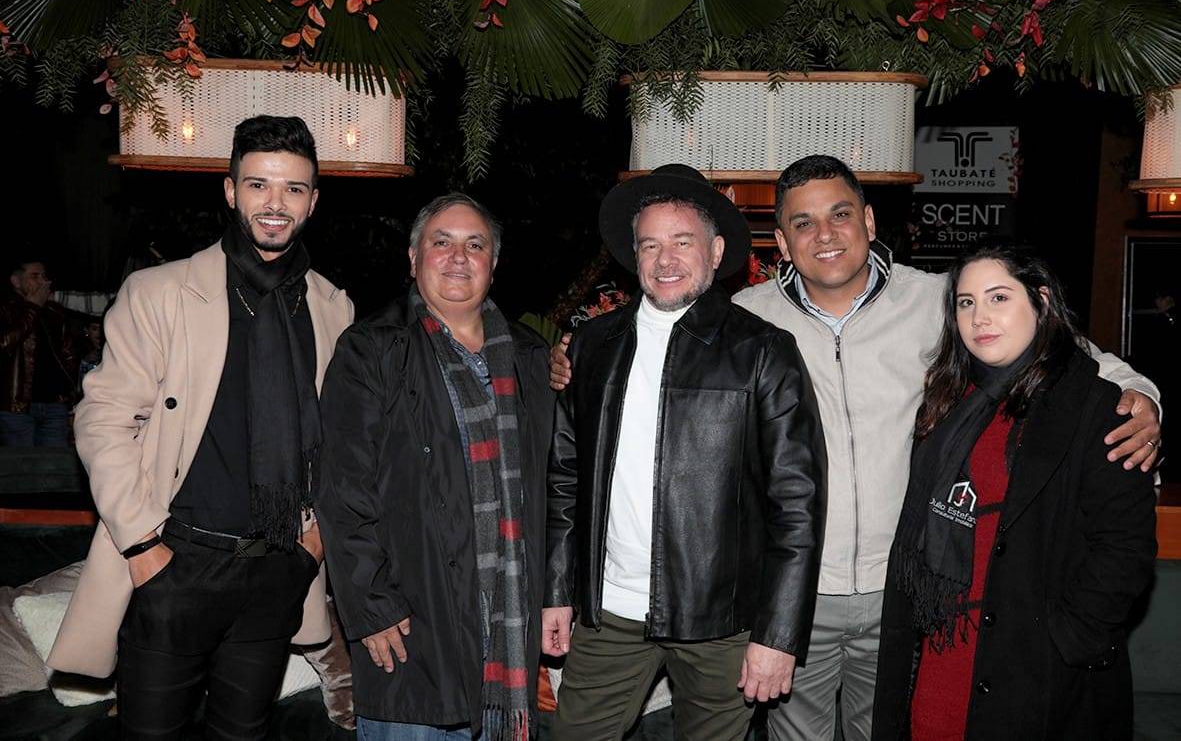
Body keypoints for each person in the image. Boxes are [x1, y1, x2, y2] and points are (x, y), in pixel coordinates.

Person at [549, 155, 1162, 740]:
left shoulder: (943, 302)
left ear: (868, 221)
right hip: (798, 597)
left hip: (905, 588)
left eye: (840, 214)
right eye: (802, 223)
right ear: (781, 244)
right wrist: (575, 360)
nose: (825, 234)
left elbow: (1064, 352)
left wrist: (1143, 397)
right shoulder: (743, 323)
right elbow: (647, 368)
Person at [47, 115, 354, 740]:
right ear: (229, 190)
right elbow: (103, 420)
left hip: (278, 566)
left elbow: (342, 436)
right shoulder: (160, 292)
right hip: (175, 560)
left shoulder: (332, 305)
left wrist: (312, 544)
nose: (275, 203)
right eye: (258, 184)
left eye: (293, 188)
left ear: (314, 200)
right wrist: (142, 548)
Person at [543, 164, 826, 741]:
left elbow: (797, 504)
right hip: (610, 614)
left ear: (716, 250)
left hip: (720, 621)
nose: (665, 258)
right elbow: (566, 479)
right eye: (651, 244)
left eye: (682, 242)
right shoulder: (594, 343)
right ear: (633, 254)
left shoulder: (763, 350)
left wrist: (777, 634)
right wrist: (556, 593)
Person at [871, 241, 1157, 739]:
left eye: (999, 297)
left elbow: (1125, 548)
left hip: (1038, 670)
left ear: (1041, 302)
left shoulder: (1099, 408)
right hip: (943, 653)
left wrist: (1068, 640)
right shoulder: (944, 404)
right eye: (966, 302)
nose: (980, 316)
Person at [315, 194, 555, 741]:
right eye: (440, 242)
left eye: (475, 245)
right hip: (410, 624)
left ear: (494, 262)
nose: (457, 257)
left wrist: (555, 592)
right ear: (413, 257)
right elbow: (341, 487)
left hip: (507, 622)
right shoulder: (371, 350)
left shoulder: (530, 356)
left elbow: (555, 484)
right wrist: (370, 605)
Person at [0, 257, 77, 446]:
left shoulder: (55, 313)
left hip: (55, 406)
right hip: (16, 407)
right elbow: (3, 343)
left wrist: (69, 394)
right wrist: (32, 307)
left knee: (55, 469)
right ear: (16, 281)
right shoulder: (4, 309)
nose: (43, 281)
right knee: (22, 468)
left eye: (44, 276)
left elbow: (68, 354)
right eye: (35, 276)